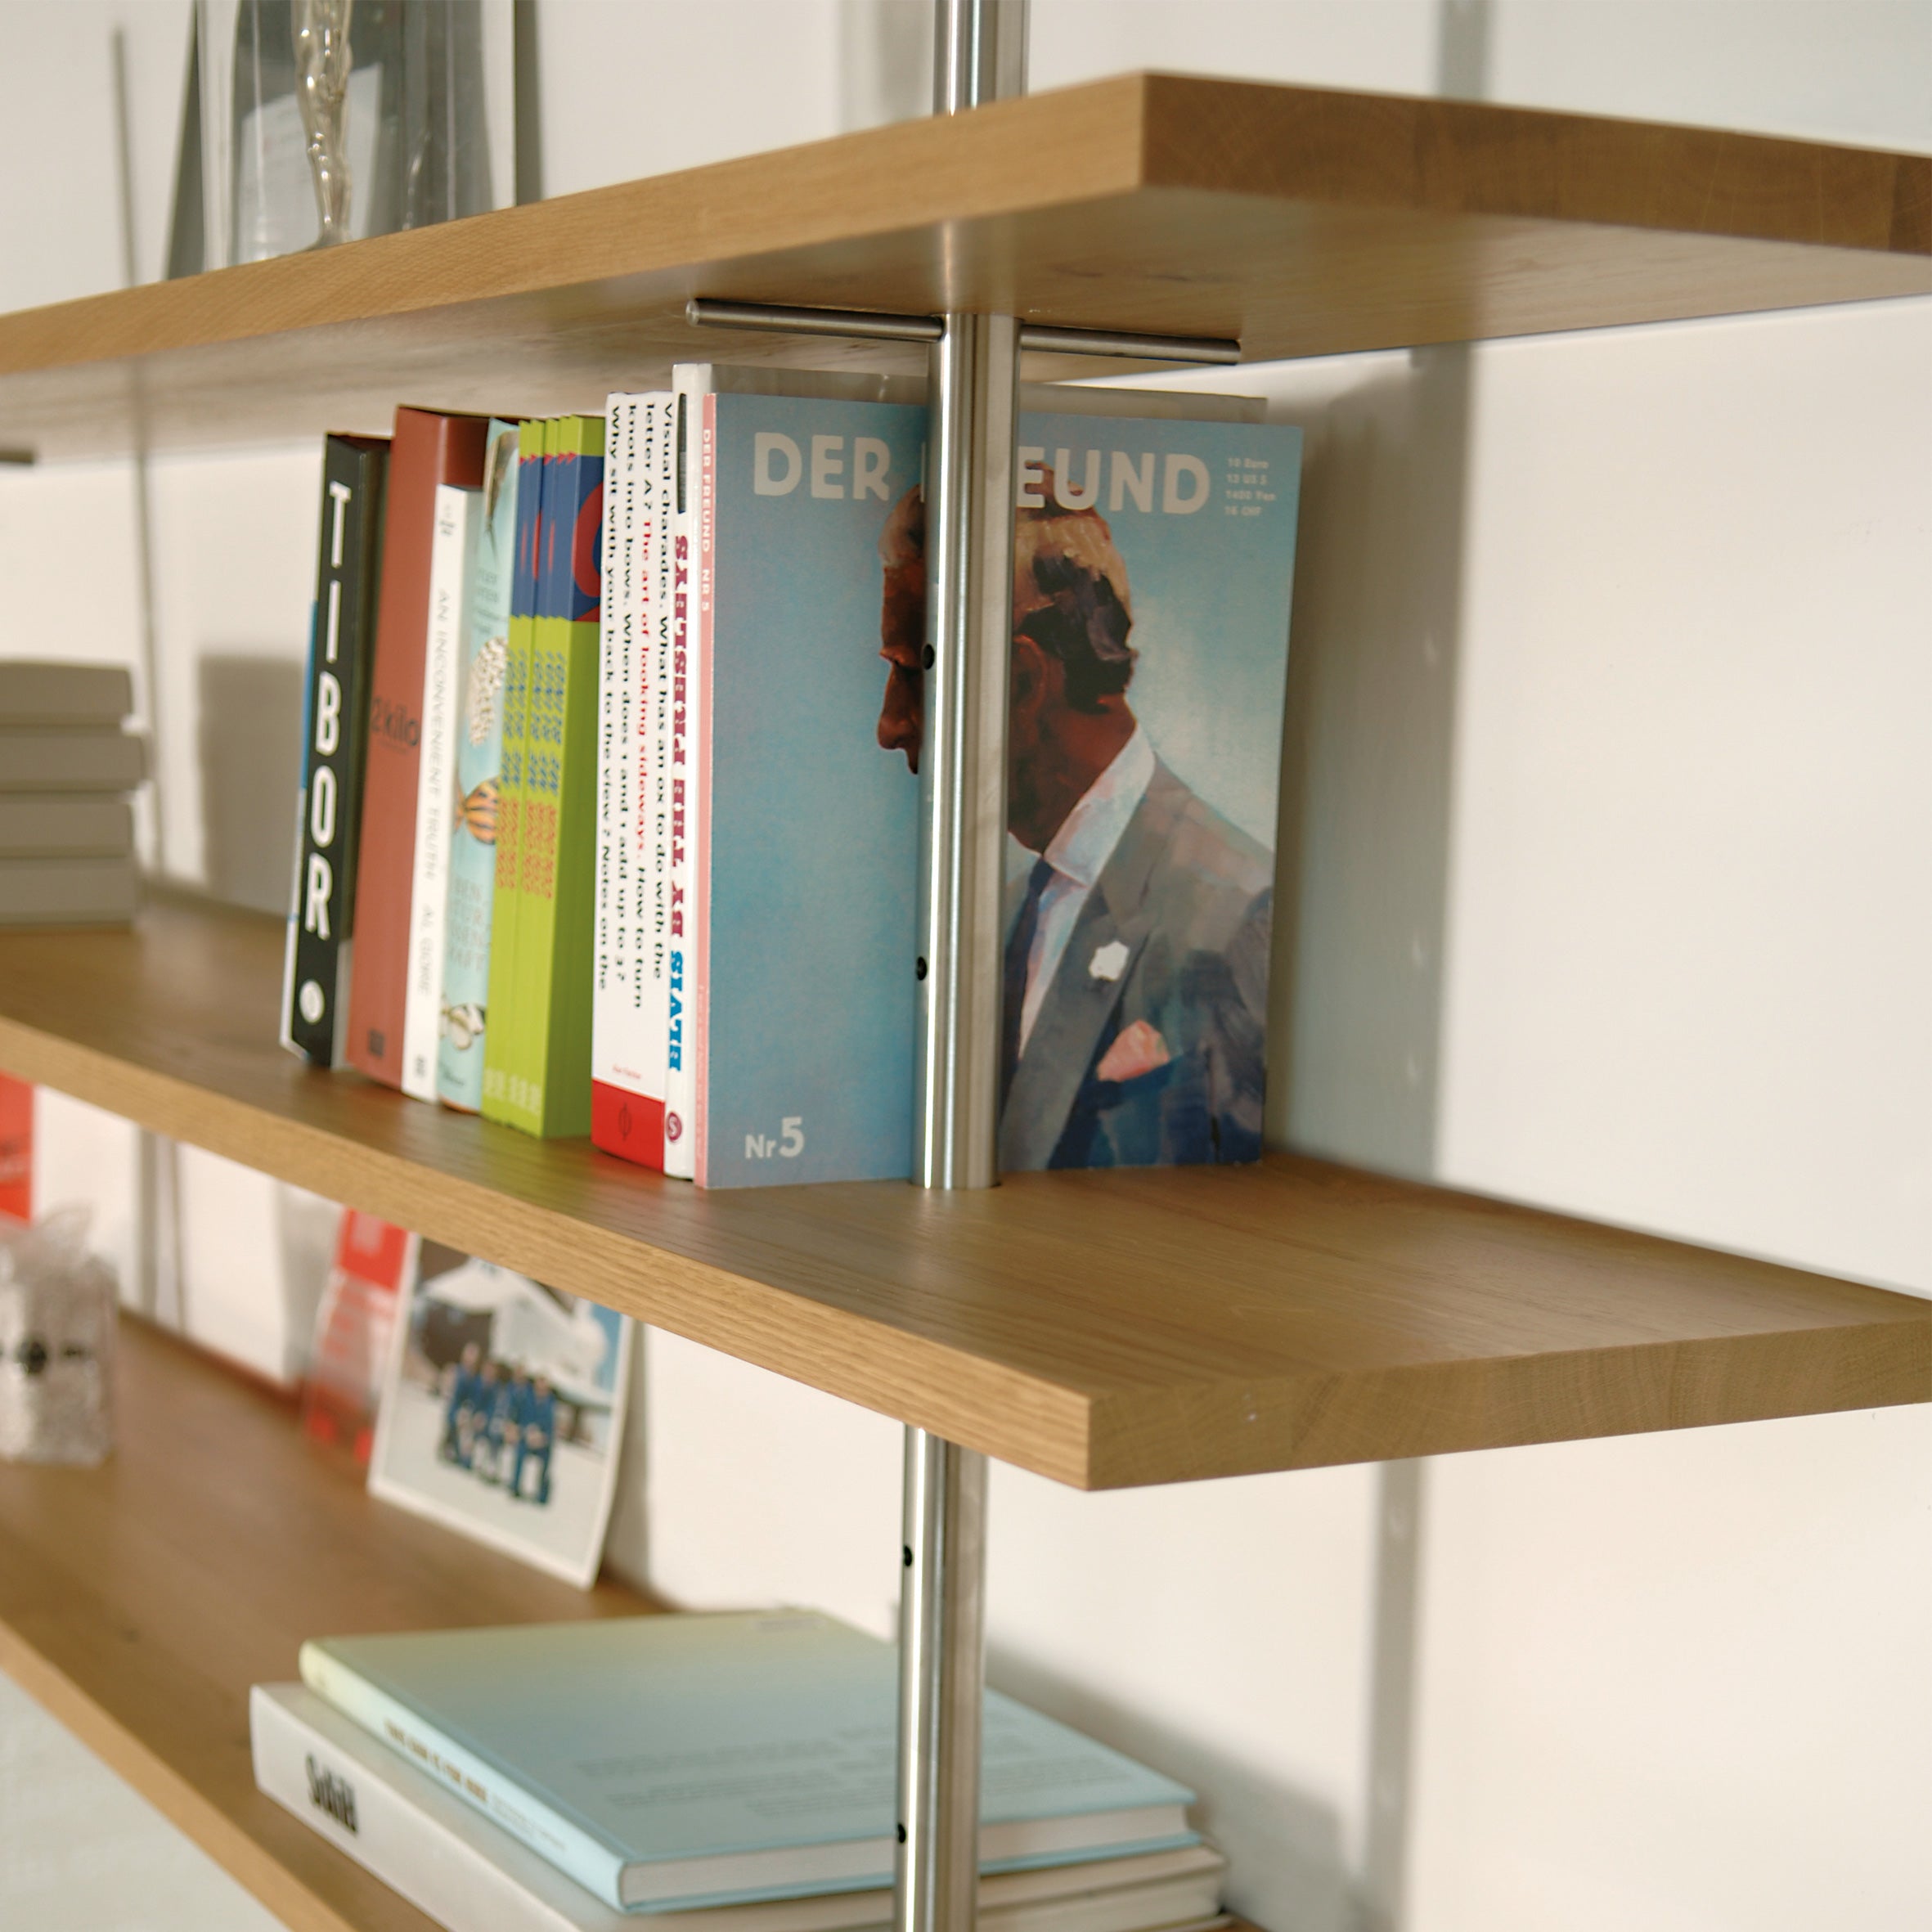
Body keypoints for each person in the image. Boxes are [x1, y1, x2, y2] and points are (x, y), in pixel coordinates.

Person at [875, 481, 1271, 1170]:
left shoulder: (1237, 913)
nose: (889, 727)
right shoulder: (1004, 911)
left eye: (914, 676)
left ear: (1026, 682)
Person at [510, 1372, 557, 1506]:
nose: (541, 1390)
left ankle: (542, 1494)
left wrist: (541, 1438)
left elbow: (550, 1431)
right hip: (526, 1438)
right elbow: (519, 1419)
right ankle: (515, 1486)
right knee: (520, 1451)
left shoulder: (550, 1406)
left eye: (544, 1388)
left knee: (548, 1456)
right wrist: (526, 1432)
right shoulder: (527, 1399)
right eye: (539, 1387)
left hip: (541, 1444)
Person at [440, 1340, 483, 1464]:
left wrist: (467, 1411)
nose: (471, 1358)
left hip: (467, 1411)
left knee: (468, 1422)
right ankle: (450, 1446)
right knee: (456, 1418)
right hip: (454, 1408)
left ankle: (461, 1451)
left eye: (474, 1356)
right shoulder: (456, 1372)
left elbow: (473, 1399)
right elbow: (449, 1394)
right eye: (469, 1354)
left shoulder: (475, 1378)